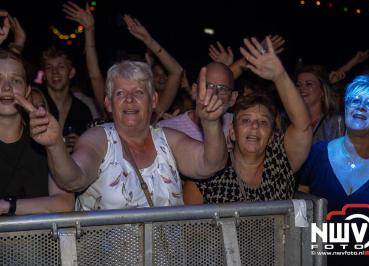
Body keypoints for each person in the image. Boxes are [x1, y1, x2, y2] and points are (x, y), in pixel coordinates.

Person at [16, 60, 227, 210]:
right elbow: (73, 179)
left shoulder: (168, 139)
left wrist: (210, 124)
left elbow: (211, 164)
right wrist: (54, 145)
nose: (129, 99)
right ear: (108, 104)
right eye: (120, 93)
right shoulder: (97, 139)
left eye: (138, 92)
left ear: (153, 101)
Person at [183, 36, 312, 203]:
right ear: (232, 132)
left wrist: (280, 76)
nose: (255, 126)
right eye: (245, 120)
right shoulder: (207, 173)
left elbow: (302, 127)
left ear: (272, 136)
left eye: (264, 122)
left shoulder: (280, 165)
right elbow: (191, 227)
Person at [298, 75, 369, 265]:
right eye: (355, 100)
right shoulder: (315, 156)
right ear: (345, 109)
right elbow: (301, 219)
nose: (361, 106)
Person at [0, 47, 74, 214]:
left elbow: (65, 202)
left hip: (39, 240)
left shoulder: (45, 137)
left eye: (16, 80)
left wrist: (7, 206)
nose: (6, 87)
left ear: (27, 91)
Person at [157, 62, 237, 143]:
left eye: (222, 89)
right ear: (194, 90)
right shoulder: (166, 130)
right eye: (208, 87)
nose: (213, 94)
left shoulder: (240, 127)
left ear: (233, 98)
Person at [40, 47, 93, 152]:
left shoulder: (82, 110)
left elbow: (91, 150)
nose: (55, 72)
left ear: (71, 72)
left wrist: (82, 145)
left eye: (61, 67)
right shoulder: (36, 103)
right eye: (49, 68)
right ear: (44, 75)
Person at [294, 64, 345, 143]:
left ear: (322, 91)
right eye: (298, 85)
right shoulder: (290, 122)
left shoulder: (334, 121)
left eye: (308, 84)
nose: (302, 89)